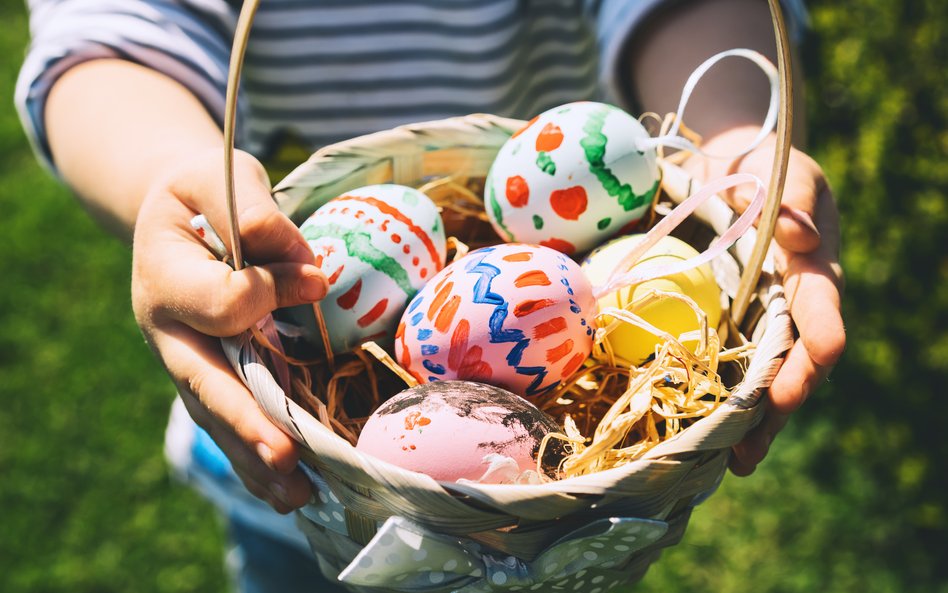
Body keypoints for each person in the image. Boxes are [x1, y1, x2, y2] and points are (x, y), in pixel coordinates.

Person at [16, 0, 845, 591]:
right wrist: (173, 180)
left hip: (568, 530)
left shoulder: (571, 284)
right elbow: (112, 32)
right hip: (295, 477)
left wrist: (733, 145)